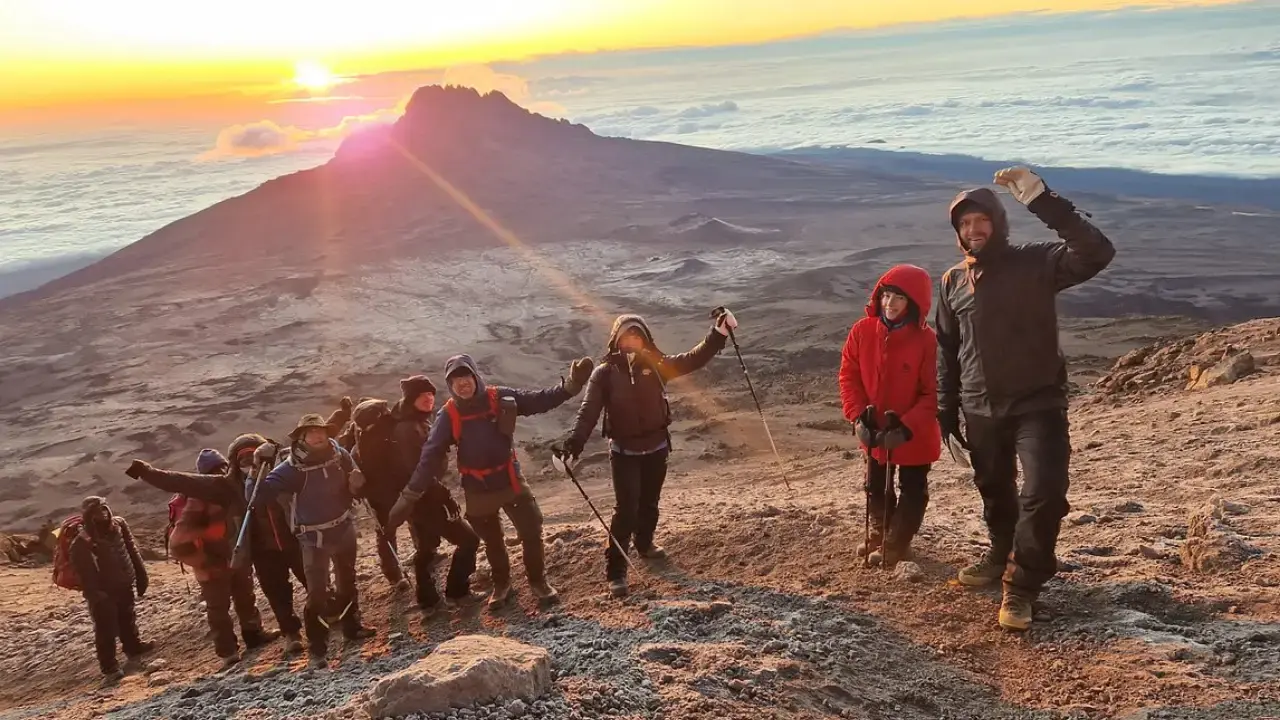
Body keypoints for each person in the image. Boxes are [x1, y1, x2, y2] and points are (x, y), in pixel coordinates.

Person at [936, 165, 1115, 630]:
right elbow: (948, 348)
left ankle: (1021, 588)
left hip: (1038, 403)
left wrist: (1042, 200)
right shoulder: (952, 281)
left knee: (1044, 492)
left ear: (999, 222)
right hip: (979, 406)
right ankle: (1000, 553)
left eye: (982, 221)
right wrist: (945, 409)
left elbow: (1096, 252)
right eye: (964, 224)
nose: (973, 230)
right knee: (994, 491)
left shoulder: (1036, 262)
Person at [387, 354, 593, 609]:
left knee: (531, 530)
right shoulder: (448, 415)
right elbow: (430, 455)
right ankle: (502, 584)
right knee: (493, 541)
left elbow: (539, 400)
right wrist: (410, 495)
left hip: (510, 480)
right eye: (455, 380)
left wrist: (570, 387)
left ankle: (539, 582)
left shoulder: (499, 397)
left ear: (475, 376)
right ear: (450, 385)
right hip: (477, 489)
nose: (462, 383)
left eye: (465, 377)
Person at [555, 309, 736, 597]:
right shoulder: (604, 374)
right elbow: (588, 412)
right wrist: (573, 445)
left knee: (650, 502)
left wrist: (718, 335)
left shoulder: (657, 364)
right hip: (624, 450)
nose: (633, 339)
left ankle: (645, 544)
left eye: (638, 334)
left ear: (645, 339)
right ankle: (616, 572)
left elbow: (692, 360)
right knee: (625, 511)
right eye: (627, 334)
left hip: (656, 446)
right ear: (616, 339)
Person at [127, 449, 280, 666]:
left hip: (234, 557)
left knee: (244, 598)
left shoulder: (232, 490)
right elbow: (178, 542)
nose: (222, 473)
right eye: (218, 469)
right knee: (219, 608)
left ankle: (253, 635)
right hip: (213, 565)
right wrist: (205, 562)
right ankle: (228, 652)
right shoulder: (198, 502)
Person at [838, 266, 941, 569]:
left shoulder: (927, 341)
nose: (890, 303)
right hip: (874, 428)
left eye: (899, 297)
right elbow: (848, 376)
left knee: (912, 488)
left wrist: (907, 427)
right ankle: (878, 534)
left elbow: (933, 392)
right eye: (885, 294)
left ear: (914, 301)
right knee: (874, 484)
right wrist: (858, 417)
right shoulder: (862, 331)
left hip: (913, 433)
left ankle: (897, 543)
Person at [256, 414, 374, 668]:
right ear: (302, 438)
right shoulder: (290, 469)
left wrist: (357, 484)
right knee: (317, 592)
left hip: (343, 527)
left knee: (346, 580)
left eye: (321, 431)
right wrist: (259, 466)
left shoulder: (339, 453)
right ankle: (318, 645)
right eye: (311, 433)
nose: (318, 436)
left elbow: (355, 485)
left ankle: (352, 628)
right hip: (313, 537)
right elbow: (258, 496)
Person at [385, 375, 481, 613]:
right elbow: (417, 469)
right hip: (426, 500)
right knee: (469, 540)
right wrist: (443, 494)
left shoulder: (416, 422)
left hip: (417, 501)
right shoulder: (408, 429)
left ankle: (428, 600)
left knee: (427, 548)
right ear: (411, 399)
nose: (429, 399)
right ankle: (457, 592)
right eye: (423, 395)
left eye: (431, 394)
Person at [229, 433, 307, 654]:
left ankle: (328, 617)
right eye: (243, 460)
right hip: (263, 551)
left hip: (294, 540)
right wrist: (148, 473)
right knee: (277, 593)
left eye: (252, 456)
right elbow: (189, 483)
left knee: (314, 580)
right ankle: (291, 634)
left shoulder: (283, 471)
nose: (248, 463)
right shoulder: (231, 485)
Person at [69, 496, 153, 679]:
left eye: (105, 508)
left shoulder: (119, 526)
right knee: (106, 629)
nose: (104, 514)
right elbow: (85, 571)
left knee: (127, 617)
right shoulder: (82, 541)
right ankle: (109, 667)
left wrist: (140, 575)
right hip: (103, 591)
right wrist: (95, 593)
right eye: (98, 511)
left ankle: (133, 648)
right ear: (89, 515)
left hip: (124, 582)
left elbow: (131, 549)